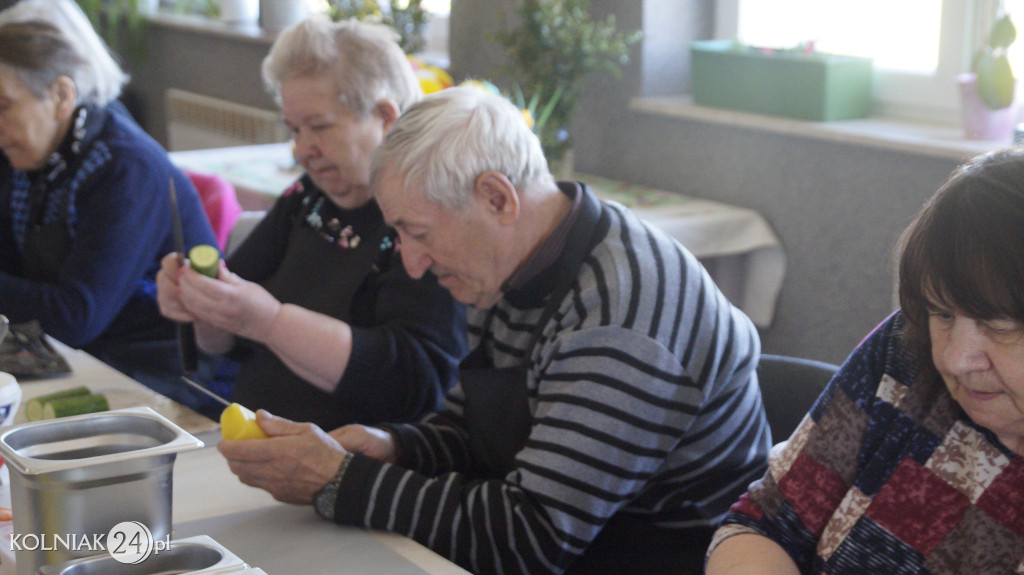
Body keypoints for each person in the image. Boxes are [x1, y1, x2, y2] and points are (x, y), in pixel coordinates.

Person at [218, 87, 769, 575]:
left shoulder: (617, 321)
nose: (411, 263)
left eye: (417, 233)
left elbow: (527, 540)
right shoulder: (518, 259)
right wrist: (394, 447)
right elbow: (477, 431)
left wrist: (340, 480)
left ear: (497, 198)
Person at [705, 147, 1024, 574]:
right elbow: (762, 524)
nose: (954, 358)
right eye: (941, 313)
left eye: (999, 326)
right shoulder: (903, 352)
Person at [156, 16, 466, 430]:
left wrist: (268, 322)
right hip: (250, 437)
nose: (303, 149)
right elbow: (228, 340)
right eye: (295, 130)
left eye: (319, 127)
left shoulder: (423, 221)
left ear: (385, 118)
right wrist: (200, 303)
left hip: (354, 463)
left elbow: (414, 382)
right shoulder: (309, 197)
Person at [0, 4, 220, 409]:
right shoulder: (25, 154)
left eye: (3, 106)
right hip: (74, 358)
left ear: (61, 95)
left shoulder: (126, 170)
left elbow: (76, 316)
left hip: (158, 379)